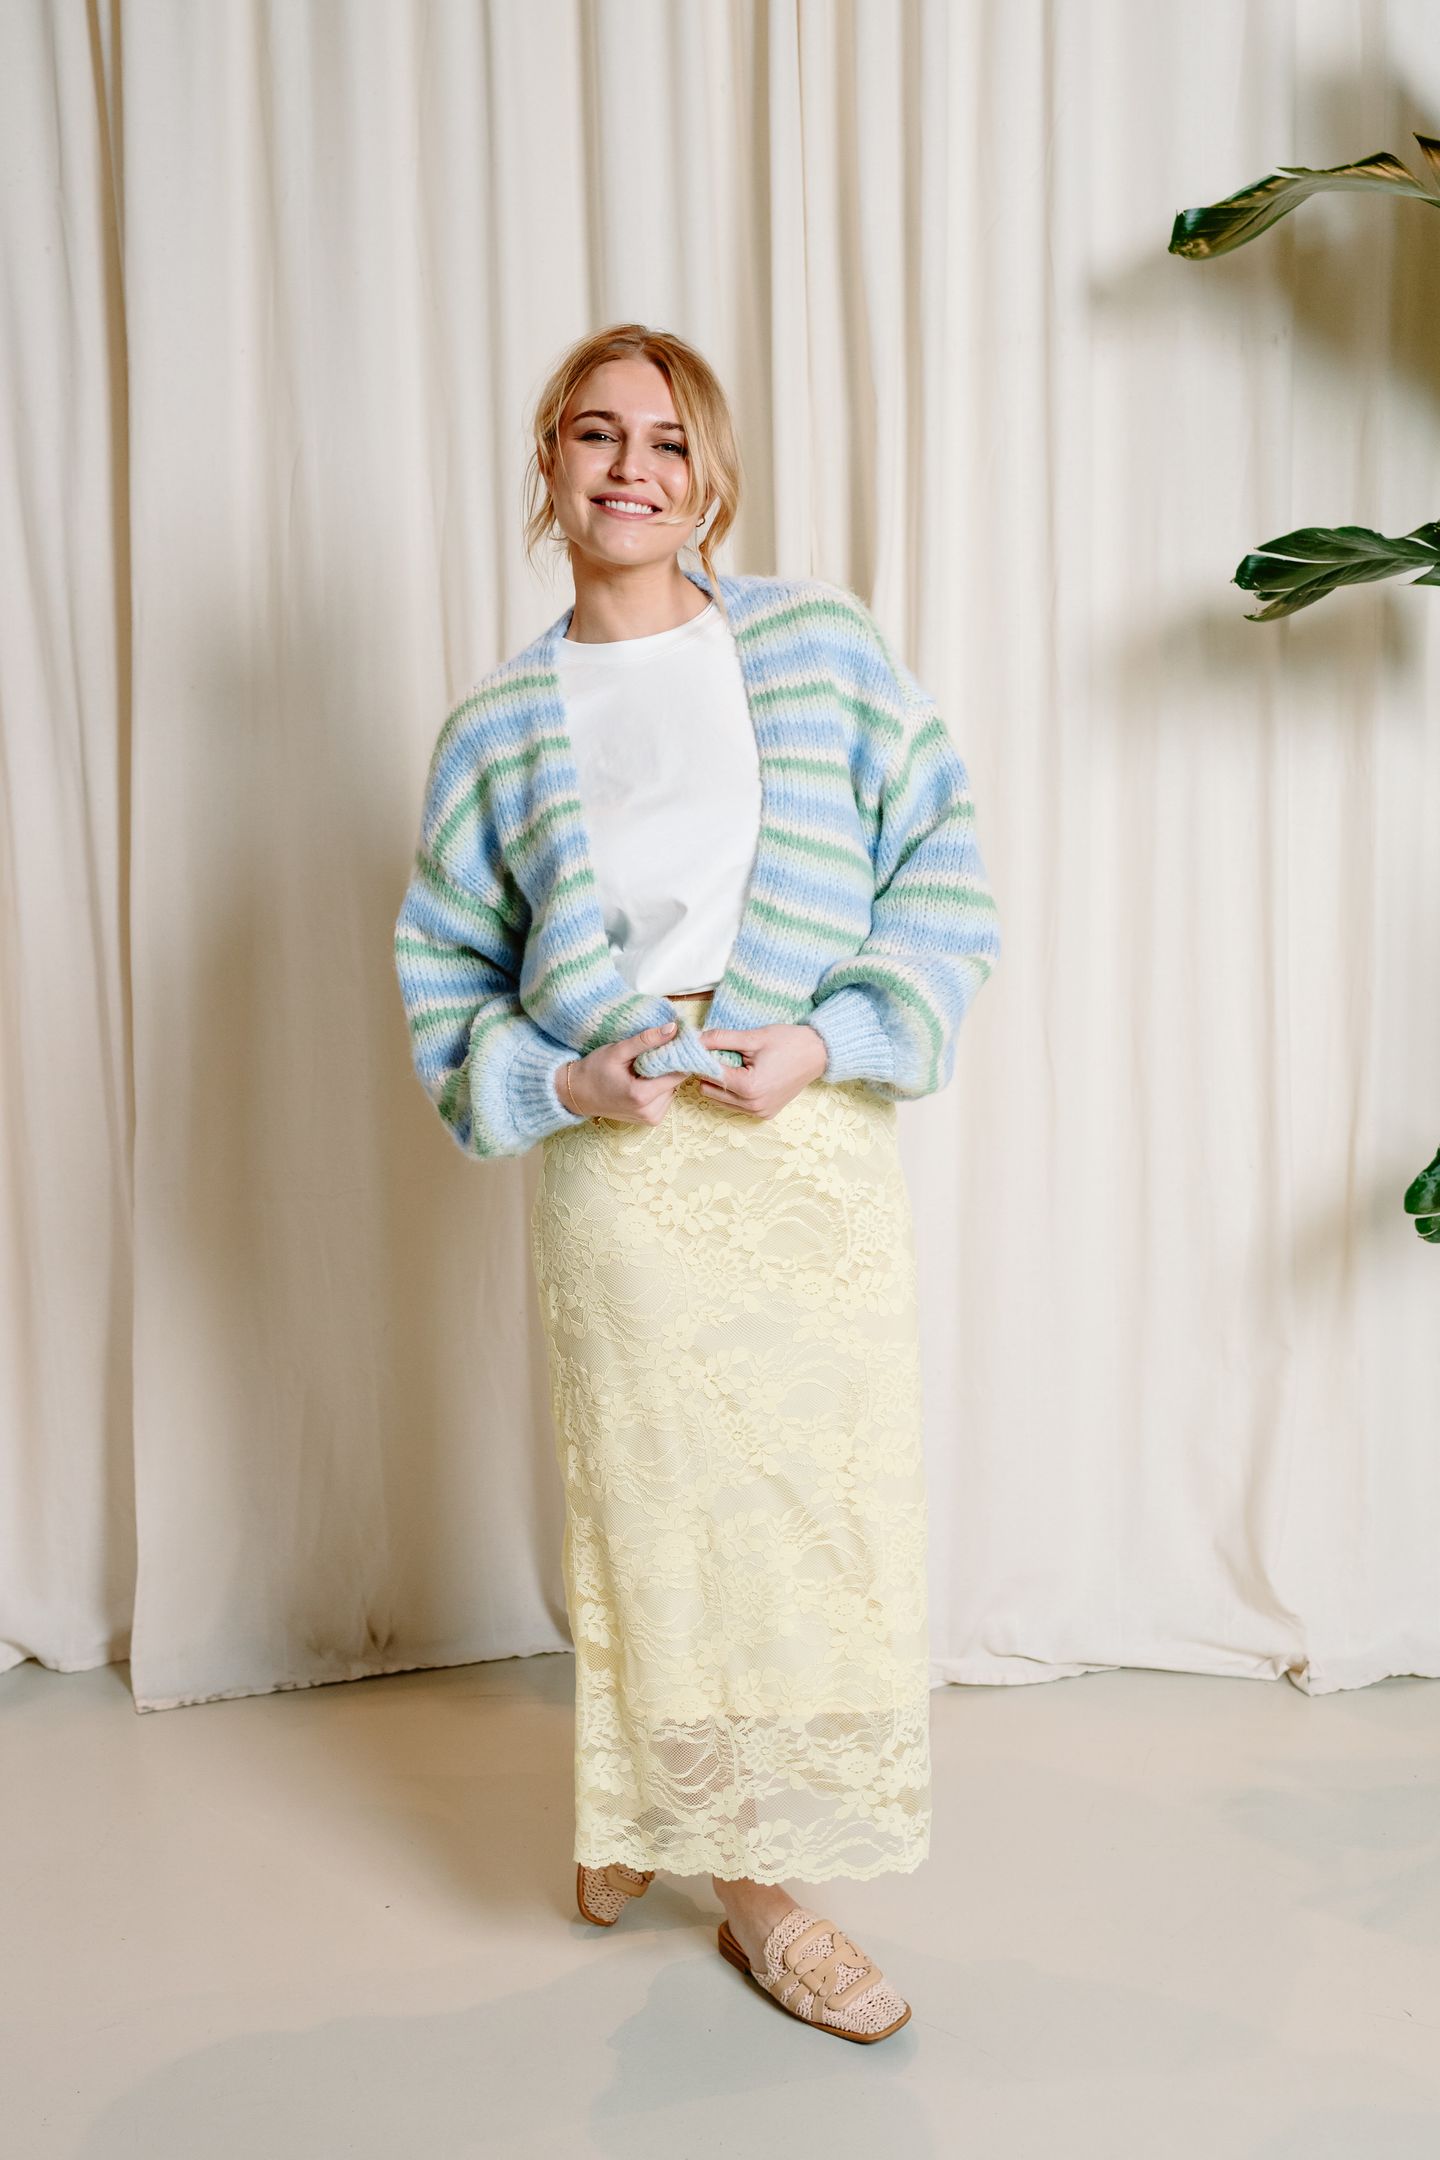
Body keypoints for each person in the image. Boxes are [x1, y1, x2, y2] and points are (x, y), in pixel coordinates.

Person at [393, 322, 1001, 2042]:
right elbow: (447, 973)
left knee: (815, 1506)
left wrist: (834, 1038)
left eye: (668, 440)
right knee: (667, 1513)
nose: (632, 467)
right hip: (629, 1157)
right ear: (549, 463)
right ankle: (758, 1898)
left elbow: (941, 859)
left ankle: (640, 1804)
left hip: (808, 1134)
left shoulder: (816, 647)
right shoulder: (498, 727)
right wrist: (568, 1080)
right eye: (596, 435)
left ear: (712, 476)